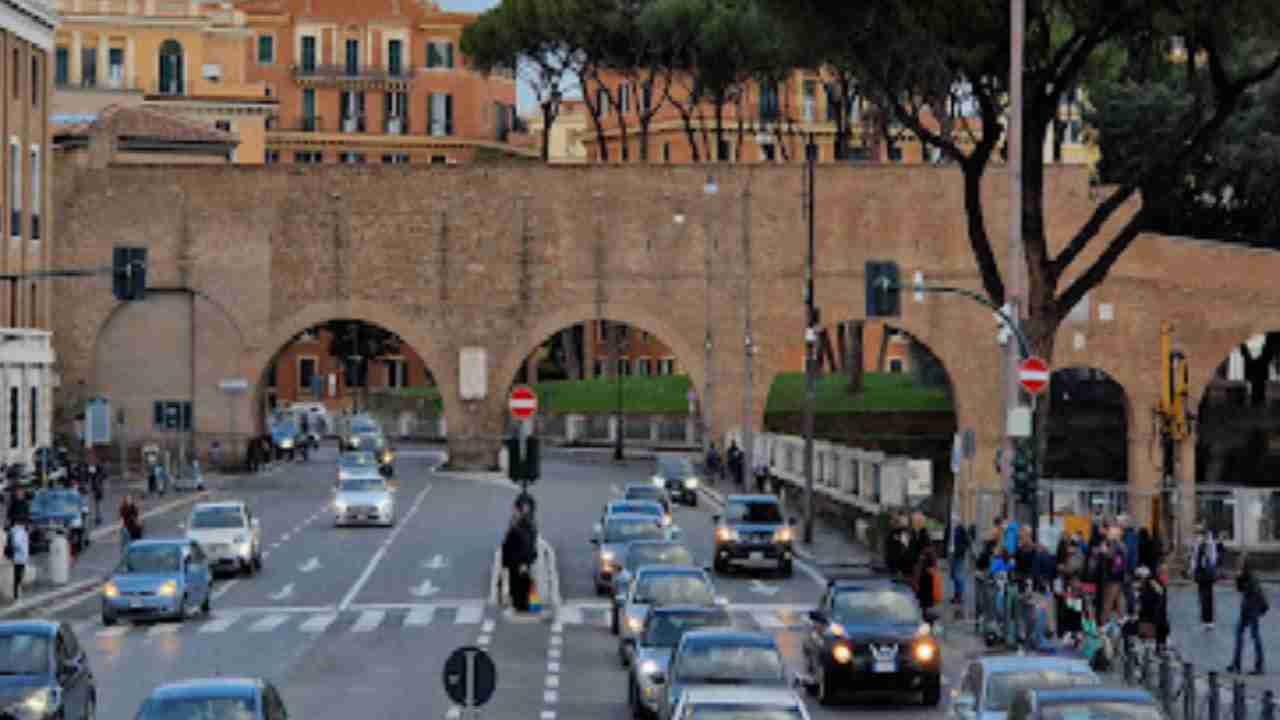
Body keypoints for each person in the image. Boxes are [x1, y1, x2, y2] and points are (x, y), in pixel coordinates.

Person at [1228, 555, 1267, 675]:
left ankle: (1259, 666)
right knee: (1239, 633)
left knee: (1255, 636)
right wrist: (1238, 579)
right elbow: (1240, 589)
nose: (1238, 566)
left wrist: (1253, 611)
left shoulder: (1252, 577)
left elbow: (1254, 593)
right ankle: (1236, 663)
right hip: (1246, 609)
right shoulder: (1244, 575)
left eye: (1240, 564)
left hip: (1252, 609)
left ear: (1245, 565)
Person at [501, 501, 535, 612]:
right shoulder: (518, 523)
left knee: (522, 582)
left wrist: (525, 562)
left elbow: (526, 544)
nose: (514, 512)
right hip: (514, 560)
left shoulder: (524, 525)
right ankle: (520, 604)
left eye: (515, 510)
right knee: (517, 582)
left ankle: (524, 605)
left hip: (519, 560)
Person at [1130, 566, 1170, 652]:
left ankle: (1156, 645)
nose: (1139, 581)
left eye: (1140, 578)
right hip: (1151, 622)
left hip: (1154, 623)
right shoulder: (1149, 587)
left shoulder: (1153, 587)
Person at [1189, 526, 1220, 630]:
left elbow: (1212, 559)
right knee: (1204, 598)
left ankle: (1208, 620)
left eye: (1200, 534)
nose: (1199, 537)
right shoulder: (1201, 544)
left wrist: (1193, 570)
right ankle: (1206, 620)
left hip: (1206, 574)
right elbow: (1195, 558)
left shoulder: (1209, 545)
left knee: (1206, 597)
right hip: (1203, 574)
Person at [950, 523, 972, 606]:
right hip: (952, 555)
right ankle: (956, 595)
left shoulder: (960, 527)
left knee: (959, 576)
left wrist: (961, 549)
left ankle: (959, 596)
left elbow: (968, 541)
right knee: (954, 576)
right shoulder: (950, 527)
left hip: (959, 555)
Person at [8, 521, 28, 600]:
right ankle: (17, 594)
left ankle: (17, 593)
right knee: (18, 576)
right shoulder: (20, 531)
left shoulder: (15, 531)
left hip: (18, 557)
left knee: (18, 576)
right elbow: (17, 543)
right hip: (20, 558)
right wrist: (22, 551)